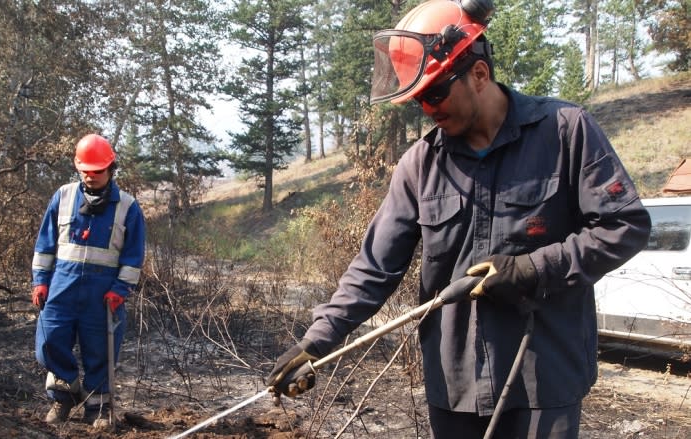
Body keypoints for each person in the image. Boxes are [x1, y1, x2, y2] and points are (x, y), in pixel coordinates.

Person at [266, 1, 651, 438]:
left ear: (479, 75)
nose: (427, 109)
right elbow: (374, 268)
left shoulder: (566, 132)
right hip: (455, 387)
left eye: (434, 93)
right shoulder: (420, 165)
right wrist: (316, 341)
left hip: (545, 380)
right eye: (418, 101)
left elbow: (625, 226)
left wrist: (531, 268)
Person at [31, 133, 146, 428]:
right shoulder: (63, 196)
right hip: (62, 287)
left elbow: (133, 255)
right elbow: (45, 244)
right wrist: (40, 280)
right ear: (77, 167)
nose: (90, 177)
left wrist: (121, 288)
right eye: (85, 171)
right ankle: (64, 395)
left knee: (100, 351)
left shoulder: (127, 207)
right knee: (49, 341)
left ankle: (98, 408)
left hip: (103, 292)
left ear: (110, 169)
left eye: (97, 172)